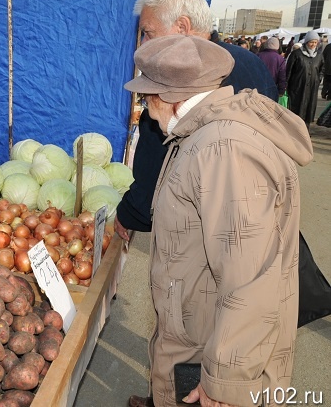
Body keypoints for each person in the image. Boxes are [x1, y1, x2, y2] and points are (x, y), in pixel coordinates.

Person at [125, 35, 313, 407]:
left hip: (211, 355)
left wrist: (225, 382)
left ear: (169, 97)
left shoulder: (222, 150)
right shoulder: (204, 135)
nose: (146, 110)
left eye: (146, 98)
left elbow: (250, 278)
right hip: (200, 333)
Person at [114, 0, 277, 241]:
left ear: (182, 27)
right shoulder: (252, 63)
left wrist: (129, 212)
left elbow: (153, 173)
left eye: (148, 32)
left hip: (201, 241)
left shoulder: (176, 85)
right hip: (262, 222)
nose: (143, 43)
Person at [285, 30, 325, 126]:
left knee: (308, 111)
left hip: (312, 89)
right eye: (311, 42)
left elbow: (322, 69)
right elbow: (288, 71)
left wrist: (318, 79)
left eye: (315, 42)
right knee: (295, 112)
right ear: (307, 42)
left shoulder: (319, 56)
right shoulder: (297, 54)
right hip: (297, 88)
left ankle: (305, 133)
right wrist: (286, 85)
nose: (313, 44)